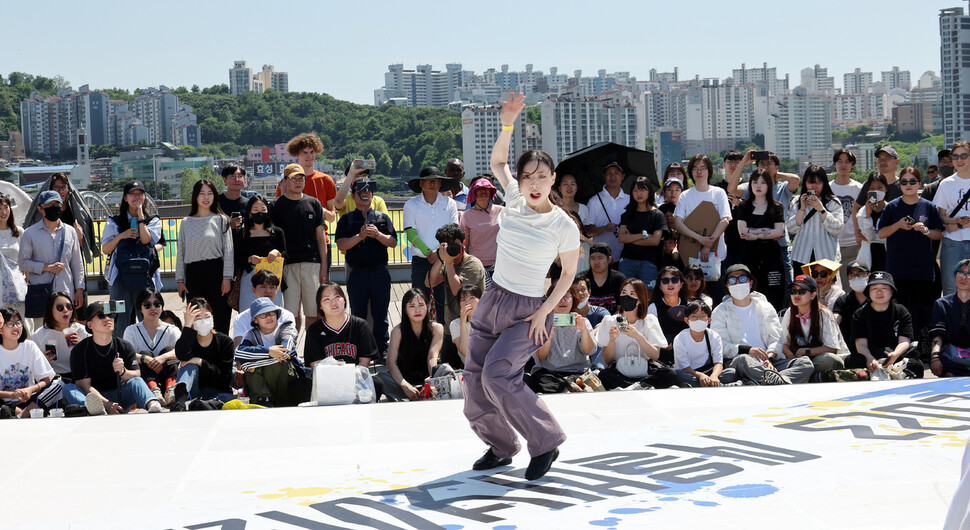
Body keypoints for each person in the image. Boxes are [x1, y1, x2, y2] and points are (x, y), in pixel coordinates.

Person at [463, 92, 580, 481]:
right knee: (475, 384)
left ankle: (545, 441)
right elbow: (498, 161)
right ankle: (501, 447)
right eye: (527, 176)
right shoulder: (512, 198)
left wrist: (545, 313)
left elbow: (567, 274)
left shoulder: (563, 224)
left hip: (529, 309)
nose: (532, 183)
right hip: (494, 297)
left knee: (499, 375)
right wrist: (508, 122)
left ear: (553, 181)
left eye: (541, 177)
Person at [710, 264, 814, 385]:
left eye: (742, 278)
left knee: (805, 363)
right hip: (740, 362)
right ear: (727, 285)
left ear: (750, 282)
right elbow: (720, 345)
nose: (738, 283)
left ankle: (767, 380)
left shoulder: (765, 306)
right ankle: (775, 380)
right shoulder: (720, 311)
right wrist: (748, 350)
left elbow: (777, 338)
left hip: (769, 361)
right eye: (732, 280)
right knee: (743, 359)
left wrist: (769, 357)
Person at [62, 302, 163, 415]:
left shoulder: (124, 346)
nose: (107, 318)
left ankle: (152, 403)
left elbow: (137, 375)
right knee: (68, 389)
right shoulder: (80, 350)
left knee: (136, 381)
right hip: (92, 398)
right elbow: (85, 386)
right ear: (89, 324)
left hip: (119, 397)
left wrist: (123, 371)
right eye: (100, 315)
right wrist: (106, 404)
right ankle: (90, 409)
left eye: (110, 315)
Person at [877, 166, 943, 336]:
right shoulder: (892, 206)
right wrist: (898, 225)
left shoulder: (928, 206)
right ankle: (901, 344)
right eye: (904, 181)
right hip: (897, 269)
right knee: (899, 312)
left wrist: (926, 230)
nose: (908, 185)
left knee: (922, 312)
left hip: (922, 270)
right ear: (899, 185)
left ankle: (923, 346)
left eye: (912, 181)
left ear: (919, 184)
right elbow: (881, 232)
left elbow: (938, 234)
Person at [335, 178, 397, 355]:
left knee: (381, 313)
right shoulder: (346, 219)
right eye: (361, 193)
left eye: (368, 193)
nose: (365, 196)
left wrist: (377, 235)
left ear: (373, 196)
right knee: (358, 312)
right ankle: (360, 347)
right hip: (357, 272)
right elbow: (341, 244)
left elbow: (393, 242)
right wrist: (359, 237)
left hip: (379, 271)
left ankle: (381, 347)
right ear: (353, 196)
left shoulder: (382, 217)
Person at [728, 150, 801, 287]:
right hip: (752, 247)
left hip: (779, 245)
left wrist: (773, 174)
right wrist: (744, 162)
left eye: (770, 164)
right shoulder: (753, 186)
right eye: (762, 164)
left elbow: (795, 180)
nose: (766, 166)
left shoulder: (782, 187)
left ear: (777, 166)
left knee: (784, 283)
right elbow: (731, 189)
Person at [272, 164, 329, 332]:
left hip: (312, 264)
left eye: (301, 178)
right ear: (285, 181)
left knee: (313, 311)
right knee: (290, 314)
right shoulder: (276, 206)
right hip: (287, 265)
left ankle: (311, 351)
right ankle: (291, 351)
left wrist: (324, 267)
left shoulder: (314, 203)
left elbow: (321, 238)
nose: (298, 182)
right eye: (293, 178)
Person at [101, 181, 162, 336]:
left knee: (148, 318)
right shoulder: (113, 221)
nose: (137, 197)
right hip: (118, 280)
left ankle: (148, 353)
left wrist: (141, 218)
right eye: (133, 194)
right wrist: (122, 236)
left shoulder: (153, 220)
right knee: (118, 320)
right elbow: (105, 248)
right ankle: (120, 353)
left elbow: (146, 240)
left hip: (146, 278)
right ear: (125, 198)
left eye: (140, 193)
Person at [301, 282, 382, 401]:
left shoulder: (360, 325)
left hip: (355, 381)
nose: (333, 303)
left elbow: (364, 362)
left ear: (344, 300)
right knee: (300, 385)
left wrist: (348, 380)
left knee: (377, 383)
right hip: (327, 383)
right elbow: (316, 366)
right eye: (326, 299)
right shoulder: (314, 330)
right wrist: (335, 381)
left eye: (337, 297)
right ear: (320, 306)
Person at [403, 165, 459, 325]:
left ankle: (444, 342)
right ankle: (420, 340)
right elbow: (411, 234)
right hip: (421, 262)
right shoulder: (411, 204)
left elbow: (454, 231)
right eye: (428, 181)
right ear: (421, 184)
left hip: (445, 261)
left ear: (441, 183)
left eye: (435, 180)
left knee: (445, 303)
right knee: (419, 302)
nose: (432, 183)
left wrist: (440, 254)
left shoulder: (450, 203)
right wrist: (430, 252)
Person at [176, 180, 233, 334]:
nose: (206, 197)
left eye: (210, 193)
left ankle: (221, 351)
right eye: (202, 193)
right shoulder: (186, 222)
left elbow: (228, 251)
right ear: (195, 197)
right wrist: (180, 280)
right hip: (193, 273)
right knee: (196, 315)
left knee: (219, 314)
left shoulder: (221, 220)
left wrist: (227, 278)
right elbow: (180, 251)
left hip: (216, 271)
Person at [593, 278, 670, 389]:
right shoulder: (610, 320)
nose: (626, 296)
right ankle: (638, 387)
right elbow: (607, 360)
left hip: (644, 370)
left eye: (632, 294)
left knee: (669, 373)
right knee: (604, 375)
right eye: (624, 293)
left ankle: (635, 386)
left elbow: (655, 355)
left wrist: (638, 336)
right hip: (620, 370)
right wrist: (612, 340)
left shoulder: (649, 320)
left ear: (640, 300)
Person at [427, 223, 486, 368]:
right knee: (450, 372)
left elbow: (458, 291)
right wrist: (441, 259)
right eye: (447, 245)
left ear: (464, 243)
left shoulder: (473, 264)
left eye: (455, 244)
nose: (451, 249)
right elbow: (429, 282)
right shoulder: (448, 262)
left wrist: (448, 263)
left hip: (472, 328)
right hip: (451, 327)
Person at [19, 190, 85, 315]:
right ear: (40, 209)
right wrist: (47, 268)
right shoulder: (30, 233)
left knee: (66, 331)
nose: (54, 208)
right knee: (43, 331)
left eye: (57, 205)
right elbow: (23, 263)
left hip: (66, 292)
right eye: (49, 206)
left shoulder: (70, 231)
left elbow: (77, 263)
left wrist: (80, 290)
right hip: (41, 293)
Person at [849, 272, 924, 377]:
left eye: (884, 288)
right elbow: (861, 344)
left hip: (895, 355)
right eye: (874, 288)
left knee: (916, 365)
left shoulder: (901, 311)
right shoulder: (860, 314)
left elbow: (904, 341)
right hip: (870, 355)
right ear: (869, 292)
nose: (879, 292)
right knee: (852, 361)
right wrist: (869, 358)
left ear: (892, 291)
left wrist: (895, 355)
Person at [379, 288, 448, 402]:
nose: (417, 310)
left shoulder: (437, 328)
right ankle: (406, 395)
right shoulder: (398, 331)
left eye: (421, 305)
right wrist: (405, 386)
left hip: (428, 377)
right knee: (381, 378)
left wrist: (431, 382)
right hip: (403, 379)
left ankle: (426, 393)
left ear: (427, 306)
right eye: (412, 306)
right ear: (405, 309)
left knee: (446, 371)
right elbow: (390, 362)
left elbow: (432, 357)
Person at [171, 297, 237, 410]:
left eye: (207, 317)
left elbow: (225, 378)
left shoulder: (225, 342)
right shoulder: (189, 340)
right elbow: (181, 355)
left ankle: (201, 404)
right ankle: (179, 404)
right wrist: (187, 326)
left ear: (213, 318)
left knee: (227, 399)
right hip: (196, 390)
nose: (204, 321)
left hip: (219, 392)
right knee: (188, 365)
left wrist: (201, 362)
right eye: (198, 319)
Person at [527, 286, 595, 394]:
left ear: (573, 299)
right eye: (558, 297)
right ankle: (568, 389)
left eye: (567, 296)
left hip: (578, 373)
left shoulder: (582, 321)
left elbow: (589, 351)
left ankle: (568, 389)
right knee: (541, 380)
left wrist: (584, 330)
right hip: (549, 373)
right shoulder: (542, 323)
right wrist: (548, 337)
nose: (563, 300)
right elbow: (540, 357)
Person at [735, 168, 787, 309]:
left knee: (774, 293)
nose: (758, 186)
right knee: (749, 292)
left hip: (772, 256)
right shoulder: (744, 206)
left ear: (769, 185)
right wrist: (767, 232)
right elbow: (742, 232)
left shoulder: (777, 207)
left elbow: (779, 232)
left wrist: (754, 234)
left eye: (763, 182)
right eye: (755, 182)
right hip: (749, 255)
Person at [234, 297, 300, 407]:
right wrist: (269, 351)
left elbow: (285, 353)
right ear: (255, 320)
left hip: (285, 379)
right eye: (263, 315)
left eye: (272, 313)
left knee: (273, 364)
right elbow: (239, 353)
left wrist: (249, 362)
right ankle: (262, 401)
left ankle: (282, 402)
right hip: (262, 383)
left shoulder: (286, 328)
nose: (269, 317)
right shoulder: (251, 334)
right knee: (252, 369)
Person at [0, 308, 64, 417]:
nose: (16, 327)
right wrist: (13, 395)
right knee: (4, 407)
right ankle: (21, 413)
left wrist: (30, 389)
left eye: (18, 323)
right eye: (10, 323)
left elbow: (46, 379)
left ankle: (22, 415)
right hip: (4, 401)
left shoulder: (29, 346)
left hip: (30, 399)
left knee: (59, 384)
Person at [674, 154, 732, 273]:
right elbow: (678, 223)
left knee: (717, 290)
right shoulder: (685, 195)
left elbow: (725, 220)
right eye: (695, 168)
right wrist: (700, 239)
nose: (699, 171)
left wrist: (708, 244)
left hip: (717, 254)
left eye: (703, 168)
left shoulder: (719, 193)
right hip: (691, 254)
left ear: (709, 171)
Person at [780, 275, 847, 376]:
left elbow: (832, 348)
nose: (796, 295)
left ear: (813, 295)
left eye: (802, 292)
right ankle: (804, 374)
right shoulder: (789, 312)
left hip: (821, 359)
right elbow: (784, 343)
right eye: (793, 292)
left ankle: (798, 373)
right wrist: (790, 355)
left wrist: (806, 351)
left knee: (830, 360)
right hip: (800, 360)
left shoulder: (824, 314)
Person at [123, 288, 180, 405]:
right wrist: (147, 359)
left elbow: (182, 350)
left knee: (169, 351)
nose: (153, 308)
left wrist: (163, 358)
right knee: (144, 354)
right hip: (145, 380)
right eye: (147, 305)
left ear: (162, 307)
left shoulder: (172, 329)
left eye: (157, 304)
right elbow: (127, 354)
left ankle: (171, 389)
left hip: (168, 373)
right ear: (140, 308)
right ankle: (153, 390)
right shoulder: (131, 330)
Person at [23, 173, 96, 263]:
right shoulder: (41, 214)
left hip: (72, 261)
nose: (60, 191)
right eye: (57, 188)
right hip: (46, 262)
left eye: (64, 187)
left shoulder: (76, 213)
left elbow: (81, 245)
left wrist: (80, 239)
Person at [787, 165, 844, 274]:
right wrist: (802, 209)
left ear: (824, 183)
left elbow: (837, 228)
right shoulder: (797, 202)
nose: (814, 186)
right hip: (801, 255)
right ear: (805, 183)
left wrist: (821, 209)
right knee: (803, 289)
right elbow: (791, 228)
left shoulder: (833, 202)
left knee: (825, 289)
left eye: (818, 183)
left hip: (826, 255)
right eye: (810, 182)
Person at [234, 195, 286, 312]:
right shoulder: (242, 234)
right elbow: (236, 258)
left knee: (273, 314)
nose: (260, 213)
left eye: (263, 210)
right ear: (249, 213)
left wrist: (277, 253)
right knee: (249, 314)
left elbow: (285, 256)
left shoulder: (277, 232)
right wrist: (249, 259)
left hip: (272, 278)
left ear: (268, 212)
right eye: (256, 210)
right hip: (249, 278)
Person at [673, 300, 739, 387]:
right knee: (677, 375)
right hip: (690, 374)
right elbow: (684, 367)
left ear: (709, 320)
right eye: (694, 317)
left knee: (732, 373)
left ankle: (708, 384)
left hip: (709, 372)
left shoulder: (714, 336)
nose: (698, 320)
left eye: (702, 316)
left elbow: (718, 363)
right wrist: (700, 375)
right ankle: (721, 386)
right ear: (687, 320)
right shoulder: (680, 338)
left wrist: (714, 376)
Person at [617, 176, 666, 290]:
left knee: (647, 294)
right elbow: (621, 238)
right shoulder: (627, 214)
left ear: (650, 191)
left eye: (642, 190)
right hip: (627, 261)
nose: (639, 193)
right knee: (627, 294)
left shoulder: (657, 215)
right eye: (635, 190)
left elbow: (654, 241)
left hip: (649, 262)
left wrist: (630, 238)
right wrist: (643, 236)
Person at [934, 141, 970, 296]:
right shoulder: (946, 184)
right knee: (951, 289)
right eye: (955, 156)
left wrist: (961, 225)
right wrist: (956, 222)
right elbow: (940, 216)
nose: (959, 160)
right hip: (952, 242)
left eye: (964, 155)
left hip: (959, 232)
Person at [30, 291, 88, 381]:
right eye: (60, 307)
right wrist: (42, 360)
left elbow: (94, 359)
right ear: (50, 310)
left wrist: (82, 347)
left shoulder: (81, 330)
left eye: (69, 307)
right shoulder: (40, 334)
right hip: (53, 378)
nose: (65, 310)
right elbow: (30, 365)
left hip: (79, 376)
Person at [231, 270, 295, 347]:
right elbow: (239, 350)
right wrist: (270, 352)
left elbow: (287, 347)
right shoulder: (241, 318)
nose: (268, 291)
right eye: (263, 287)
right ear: (254, 290)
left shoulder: (287, 316)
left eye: (272, 287)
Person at [928, 259, 970, 377]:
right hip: (952, 353)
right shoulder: (941, 304)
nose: (964, 277)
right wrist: (935, 357)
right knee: (944, 364)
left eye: (969, 274)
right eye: (960, 273)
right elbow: (938, 332)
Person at [853, 145, 901, 246]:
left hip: (896, 242)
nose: (883, 162)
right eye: (880, 159)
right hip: (870, 242)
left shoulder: (904, 185)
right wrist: (858, 233)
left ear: (897, 161)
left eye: (887, 158)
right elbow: (856, 207)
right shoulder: (868, 184)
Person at [829, 149, 864, 287]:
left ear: (852, 165)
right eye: (840, 161)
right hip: (830, 244)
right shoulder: (828, 188)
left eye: (847, 162)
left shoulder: (859, 188)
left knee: (853, 286)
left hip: (853, 244)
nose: (843, 165)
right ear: (834, 164)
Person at [460, 176, 504, 286]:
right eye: (480, 189)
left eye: (487, 189)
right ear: (474, 193)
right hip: (476, 265)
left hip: (499, 265)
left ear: (491, 192)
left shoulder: (502, 211)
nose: (484, 191)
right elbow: (465, 243)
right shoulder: (467, 216)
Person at [586, 161, 630, 260]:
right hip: (602, 259)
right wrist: (604, 228)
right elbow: (588, 231)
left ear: (623, 176)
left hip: (626, 257)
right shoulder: (594, 201)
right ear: (604, 176)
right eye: (609, 173)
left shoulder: (630, 200)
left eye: (616, 173)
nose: (613, 176)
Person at [647, 266, 688, 365]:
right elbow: (648, 333)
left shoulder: (690, 306)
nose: (670, 283)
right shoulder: (653, 308)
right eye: (665, 280)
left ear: (681, 284)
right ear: (660, 286)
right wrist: (660, 344)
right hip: (661, 355)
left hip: (686, 352)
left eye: (674, 280)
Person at [832, 260, 871, 358]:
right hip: (850, 348)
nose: (856, 278)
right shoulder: (843, 300)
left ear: (868, 276)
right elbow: (835, 321)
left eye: (860, 274)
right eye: (852, 275)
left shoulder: (876, 298)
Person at [856, 172, 890, 271]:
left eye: (880, 188)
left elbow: (887, 238)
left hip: (887, 256)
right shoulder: (862, 212)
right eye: (872, 188)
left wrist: (869, 238)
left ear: (886, 189)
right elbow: (869, 236)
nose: (876, 191)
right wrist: (867, 215)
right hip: (868, 257)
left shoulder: (891, 210)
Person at [580, 243, 626, 314]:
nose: (596, 262)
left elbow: (621, 309)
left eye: (600, 258)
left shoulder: (619, 279)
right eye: (592, 258)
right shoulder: (581, 279)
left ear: (609, 259)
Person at [0, 194, 26, 320]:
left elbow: (26, 258)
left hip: (16, 286)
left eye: (6, 207)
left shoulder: (19, 232)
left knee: (20, 321)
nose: (3, 212)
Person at [451, 284, 482, 365]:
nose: (467, 302)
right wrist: (463, 322)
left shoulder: (490, 321)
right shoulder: (455, 324)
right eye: (463, 300)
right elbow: (465, 351)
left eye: (472, 298)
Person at [219, 164, 248, 230]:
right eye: (232, 176)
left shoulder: (249, 204)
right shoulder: (216, 202)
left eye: (240, 176)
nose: (237, 179)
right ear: (224, 179)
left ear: (244, 179)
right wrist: (229, 225)